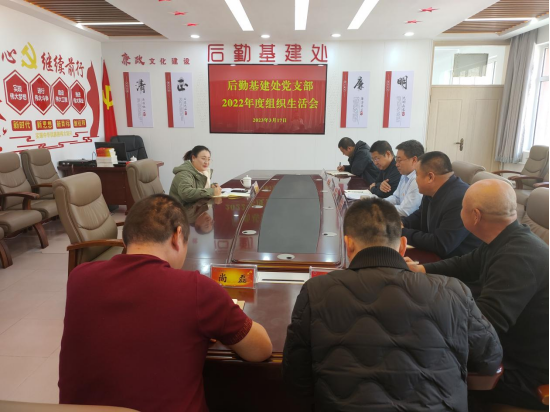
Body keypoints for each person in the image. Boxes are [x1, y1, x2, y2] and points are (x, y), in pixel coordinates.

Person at [283, 198, 503, 412]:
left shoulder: (316, 291)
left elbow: (295, 379)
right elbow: (490, 360)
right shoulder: (454, 291)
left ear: (348, 244)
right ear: (403, 246)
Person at [59, 195, 273, 412]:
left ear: (125, 241)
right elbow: (261, 349)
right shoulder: (197, 289)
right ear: (177, 236)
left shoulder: (79, 278)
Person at [407, 180, 549, 410]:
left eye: (462, 208)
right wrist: (421, 270)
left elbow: (486, 326)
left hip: (524, 370)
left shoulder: (518, 257)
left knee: (424, 376)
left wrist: (426, 325)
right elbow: (465, 264)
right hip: (507, 347)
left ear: (475, 215)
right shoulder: (506, 238)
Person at [402, 151, 481, 259]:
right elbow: (421, 215)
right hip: (437, 255)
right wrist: (400, 223)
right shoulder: (431, 191)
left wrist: (401, 232)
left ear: (430, 177)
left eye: (417, 174)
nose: (415, 179)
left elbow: (441, 245)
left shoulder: (459, 199)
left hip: (458, 262)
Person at [384, 140, 424, 217]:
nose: (396, 164)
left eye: (399, 160)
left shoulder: (416, 179)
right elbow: (396, 198)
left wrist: (379, 208)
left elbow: (405, 211)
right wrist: (379, 203)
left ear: (414, 160)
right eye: (396, 160)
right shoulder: (404, 175)